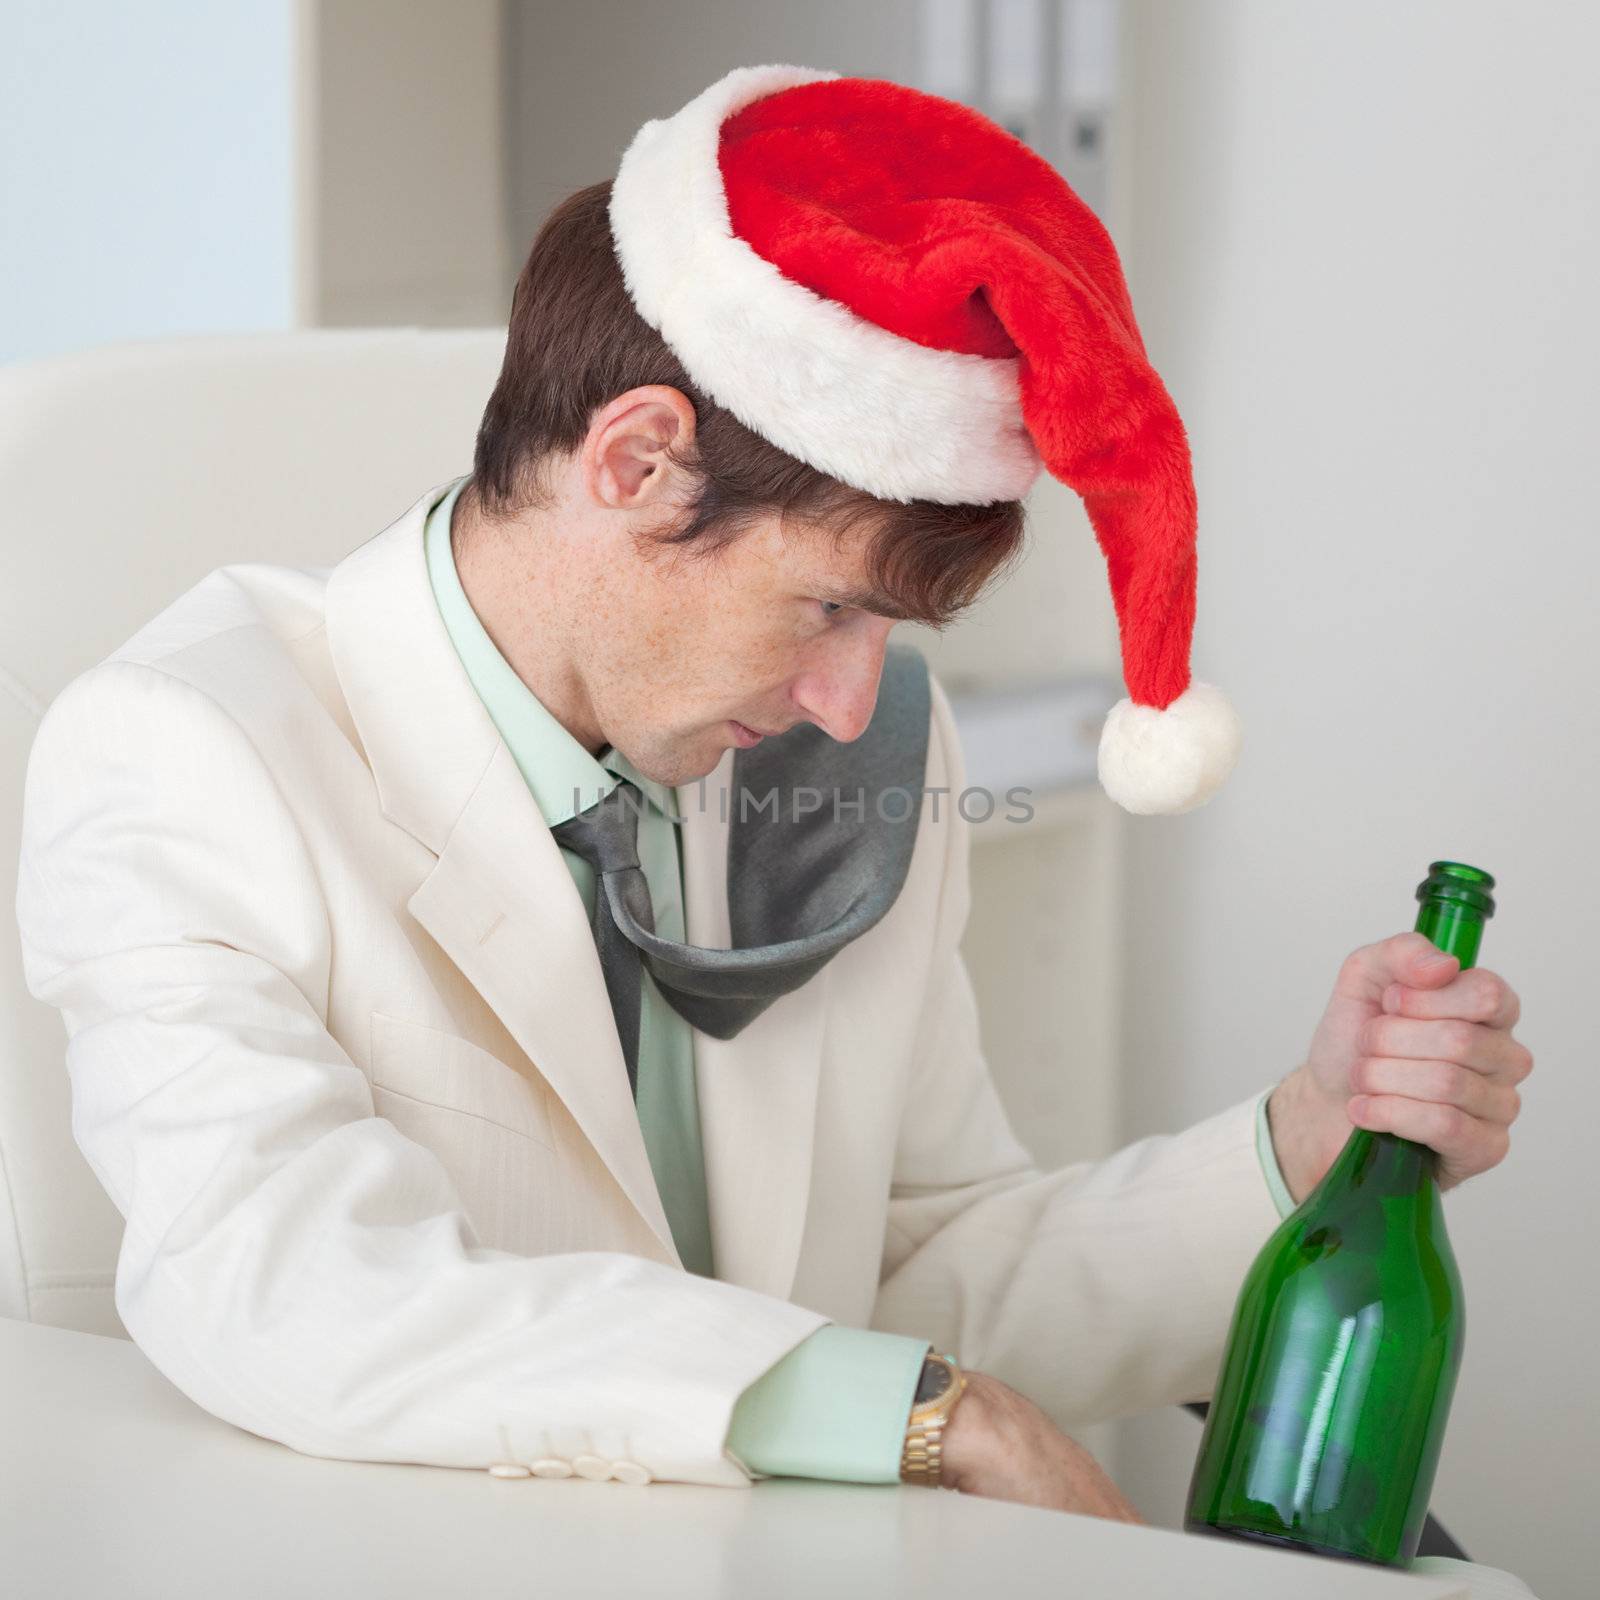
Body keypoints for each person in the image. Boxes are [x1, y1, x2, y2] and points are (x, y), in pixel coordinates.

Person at [15, 66, 1532, 1527]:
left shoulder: (844, 762)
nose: (855, 702)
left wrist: (1307, 1142)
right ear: (636, 462)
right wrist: (930, 1417)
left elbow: (917, 1276)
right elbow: (283, 1284)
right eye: (826, 610)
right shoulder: (188, 752)